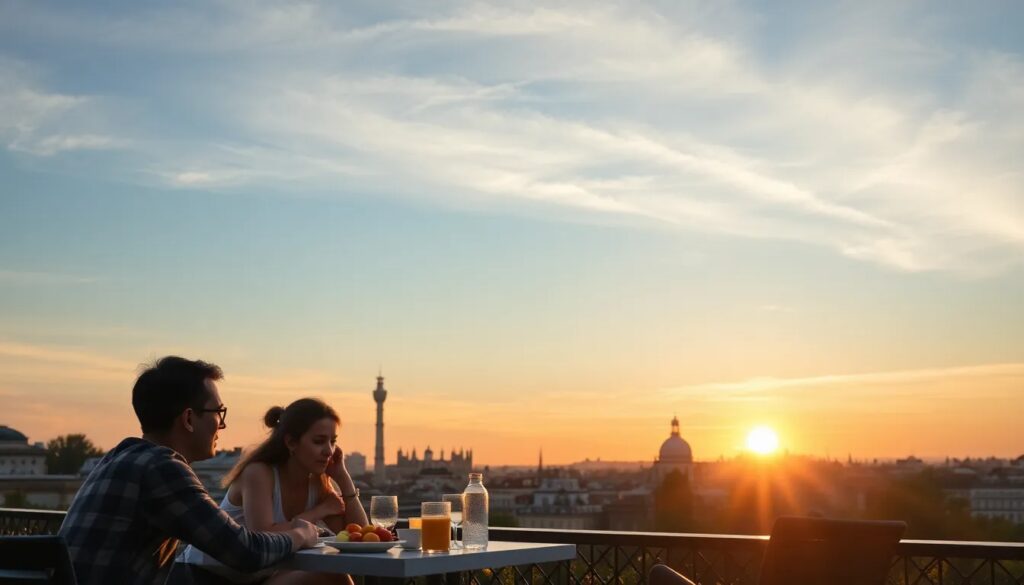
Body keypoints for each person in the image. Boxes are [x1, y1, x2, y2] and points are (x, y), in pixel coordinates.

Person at [58, 356, 319, 585]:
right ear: (189, 419)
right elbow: (244, 552)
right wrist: (299, 534)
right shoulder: (161, 468)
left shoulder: (119, 457)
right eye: (218, 412)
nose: (222, 425)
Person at [184, 398, 368, 584]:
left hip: (257, 577)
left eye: (333, 441)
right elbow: (261, 536)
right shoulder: (259, 473)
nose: (329, 451)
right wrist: (318, 512)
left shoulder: (318, 484)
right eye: (319, 441)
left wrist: (343, 478)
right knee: (330, 575)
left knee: (335, 576)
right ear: (291, 443)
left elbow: (361, 536)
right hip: (205, 575)